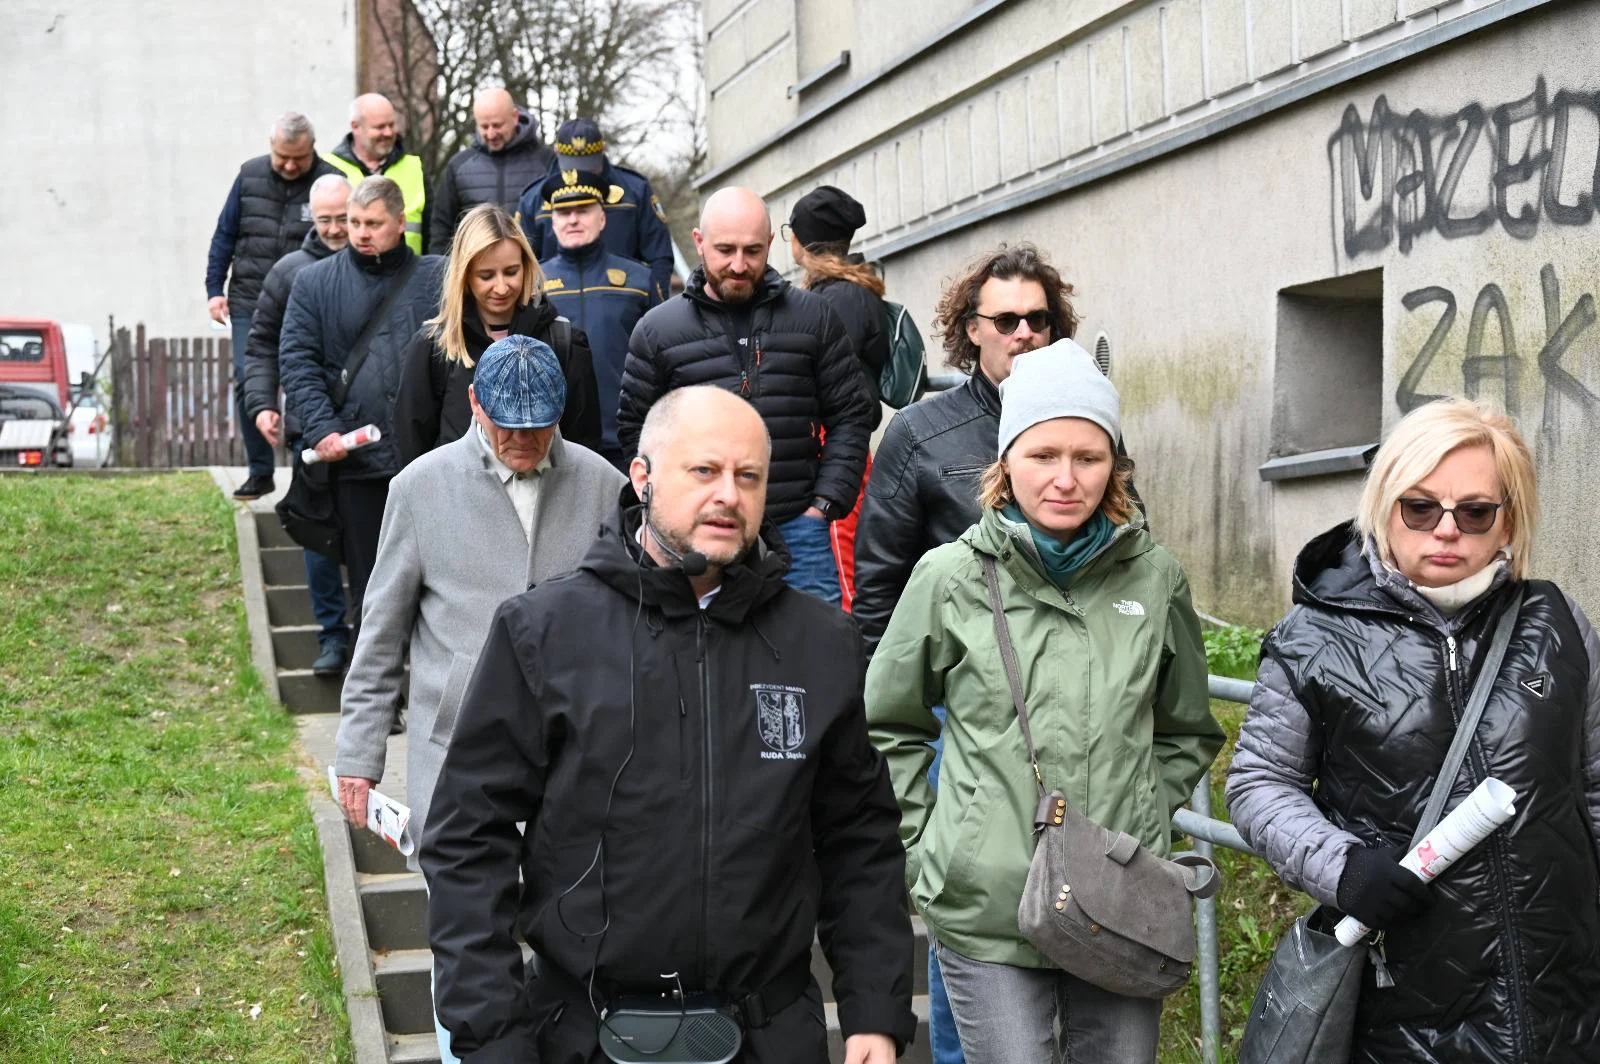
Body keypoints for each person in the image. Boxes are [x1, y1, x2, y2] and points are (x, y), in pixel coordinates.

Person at [422, 385, 916, 1063]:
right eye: (704, 471)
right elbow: (467, 839)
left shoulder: (820, 643)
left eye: (748, 477)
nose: (729, 496)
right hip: (586, 1034)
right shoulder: (544, 632)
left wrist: (875, 1012)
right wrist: (492, 1036)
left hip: (766, 1037)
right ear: (643, 476)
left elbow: (859, 840)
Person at [866, 343, 1221, 1064]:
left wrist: (1142, 815)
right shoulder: (948, 577)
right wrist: (931, 849)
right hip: (985, 905)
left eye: (1088, 458)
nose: (1065, 479)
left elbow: (1184, 726)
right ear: (1005, 463)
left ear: (1114, 466)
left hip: (1118, 898)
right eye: (1042, 455)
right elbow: (889, 721)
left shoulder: (1155, 579)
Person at [1226, 397, 1600, 1064]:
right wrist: (1341, 866)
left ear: (1507, 520)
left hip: (1563, 1001)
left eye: (1475, 511)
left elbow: (1595, 782)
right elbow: (1260, 783)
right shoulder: (1313, 637)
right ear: (1384, 505)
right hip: (1404, 1007)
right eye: (1420, 507)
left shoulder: (1558, 622)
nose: (1446, 530)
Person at [336, 334, 623, 1063]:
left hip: (574, 757)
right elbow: (380, 635)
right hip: (457, 754)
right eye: (508, 424)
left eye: (541, 423)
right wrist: (357, 757)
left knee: (574, 928)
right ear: (473, 404)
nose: (525, 439)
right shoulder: (419, 488)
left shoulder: (602, 484)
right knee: (467, 946)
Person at [617, 186, 873, 605]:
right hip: (701, 533)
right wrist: (669, 513)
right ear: (698, 242)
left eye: (753, 251)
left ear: (771, 243)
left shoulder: (814, 317)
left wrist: (825, 504)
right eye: (725, 250)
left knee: (815, 659)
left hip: (798, 530)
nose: (739, 265)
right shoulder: (657, 331)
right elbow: (636, 432)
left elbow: (852, 415)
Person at [854, 243, 1076, 652]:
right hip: (961, 677)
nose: (1024, 333)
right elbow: (879, 586)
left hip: (1074, 664)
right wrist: (879, 702)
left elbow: (1129, 538)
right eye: (1006, 321)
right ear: (973, 329)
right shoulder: (918, 433)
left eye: (1037, 319)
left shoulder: (1086, 424)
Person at [279, 176, 445, 626]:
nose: (361, 233)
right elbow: (297, 362)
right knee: (370, 600)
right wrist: (322, 428)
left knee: (440, 596)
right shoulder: (314, 283)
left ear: (400, 221)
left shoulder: (438, 278)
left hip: (428, 459)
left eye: (374, 223)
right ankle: (368, 697)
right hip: (358, 464)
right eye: (354, 222)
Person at [240, 172, 354, 675]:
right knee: (317, 535)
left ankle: (371, 642)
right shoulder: (289, 272)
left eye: (342, 218)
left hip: (372, 426)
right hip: (310, 425)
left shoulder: (385, 268)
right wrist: (263, 403)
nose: (333, 229)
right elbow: (262, 343)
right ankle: (332, 636)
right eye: (324, 219)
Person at [391, 203, 600, 464]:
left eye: (511, 272)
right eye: (486, 275)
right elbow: (411, 451)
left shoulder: (564, 341)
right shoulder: (434, 346)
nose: (501, 287)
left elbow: (583, 450)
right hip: (458, 499)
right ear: (465, 275)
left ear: (526, 266)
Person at [205, 111, 339, 500]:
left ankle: (307, 462)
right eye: (283, 157)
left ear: (312, 149)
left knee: (311, 377)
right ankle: (261, 470)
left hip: (310, 298)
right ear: (271, 148)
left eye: (299, 157)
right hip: (250, 296)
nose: (291, 165)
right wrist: (215, 289)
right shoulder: (249, 176)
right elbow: (224, 234)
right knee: (249, 378)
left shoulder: (330, 181)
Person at [784, 185, 889, 612]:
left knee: (841, 556)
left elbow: (827, 380)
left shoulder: (836, 300)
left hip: (834, 443)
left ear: (804, 240)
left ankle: (851, 656)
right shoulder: (848, 290)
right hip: (839, 439)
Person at [537, 168, 658, 470]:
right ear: (553, 222)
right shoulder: (533, 284)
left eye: (583, 210)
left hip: (627, 444)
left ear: (602, 217)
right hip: (553, 445)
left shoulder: (638, 280)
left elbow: (662, 360)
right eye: (564, 212)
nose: (573, 219)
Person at [518, 117, 674, 298]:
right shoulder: (533, 199)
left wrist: (652, 304)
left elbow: (659, 256)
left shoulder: (635, 191)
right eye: (571, 168)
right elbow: (522, 263)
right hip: (555, 302)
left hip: (624, 301)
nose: (580, 175)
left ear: (603, 150)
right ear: (556, 153)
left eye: (588, 168)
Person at [430, 87, 555, 252]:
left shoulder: (546, 162)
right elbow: (441, 230)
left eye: (497, 125)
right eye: (484, 126)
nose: (490, 134)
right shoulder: (458, 166)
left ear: (515, 117)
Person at [323, 94, 429, 253]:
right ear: (355, 126)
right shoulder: (329, 167)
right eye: (379, 127)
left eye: (391, 125)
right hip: (345, 273)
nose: (388, 133)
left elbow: (433, 230)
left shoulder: (413, 167)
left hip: (407, 272)